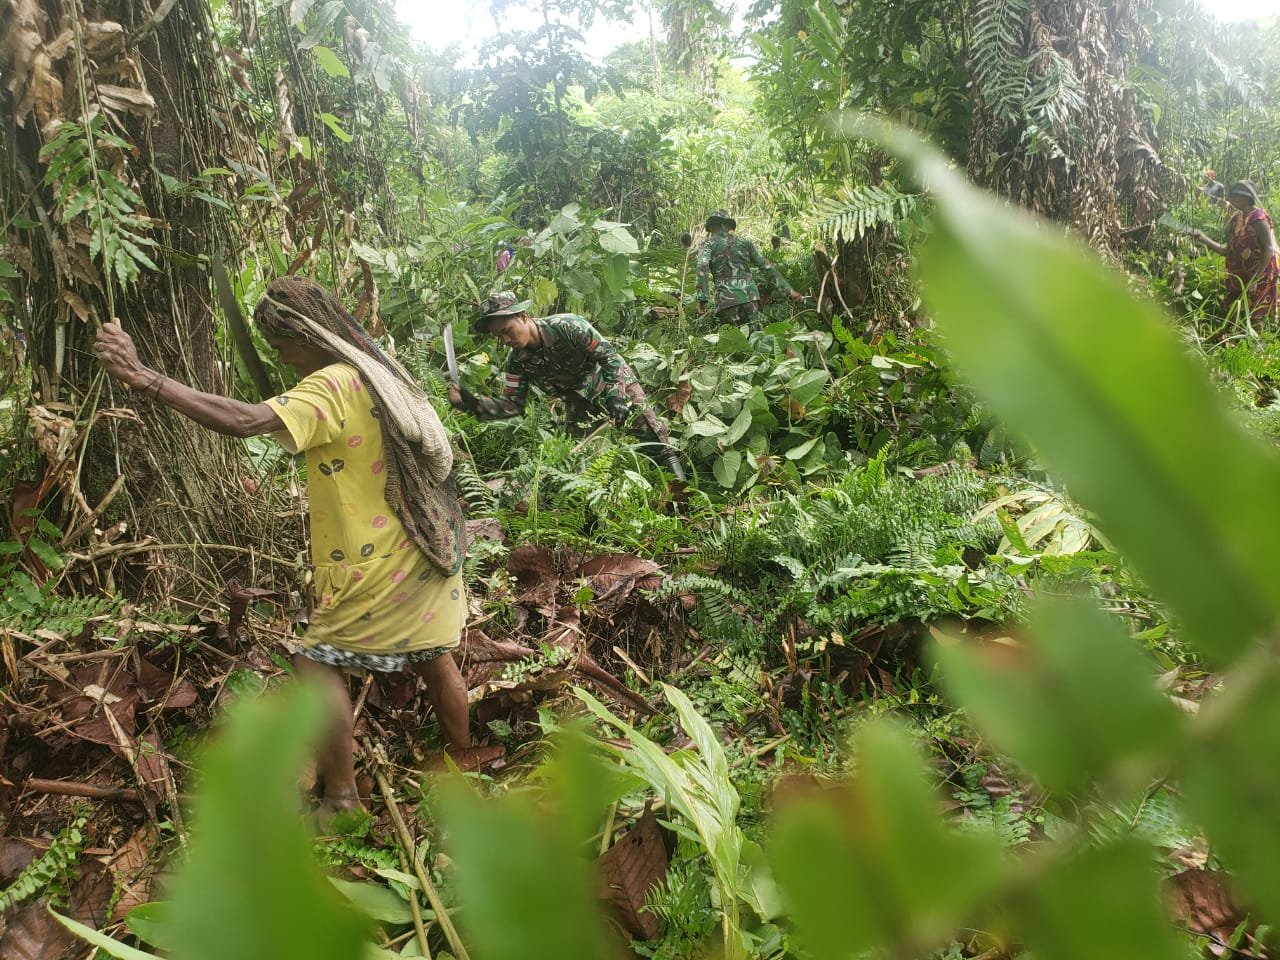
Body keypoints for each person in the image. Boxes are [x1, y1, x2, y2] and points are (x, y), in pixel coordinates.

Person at [94, 276, 472, 821]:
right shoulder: (378, 372)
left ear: (306, 334)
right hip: (428, 549)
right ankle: (466, 763)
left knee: (315, 664)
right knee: (437, 658)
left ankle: (342, 799)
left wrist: (142, 378)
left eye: (281, 347)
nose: (285, 359)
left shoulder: (333, 384)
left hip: (378, 562)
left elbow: (244, 420)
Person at [448, 292, 686, 481]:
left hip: (609, 380)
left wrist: (616, 396)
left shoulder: (567, 326)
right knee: (582, 467)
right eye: (499, 337)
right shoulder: (516, 363)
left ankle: (682, 500)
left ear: (522, 316)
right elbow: (512, 405)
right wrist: (474, 404)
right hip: (577, 403)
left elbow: (609, 358)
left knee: (654, 438)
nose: (506, 340)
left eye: (507, 331)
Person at [1193, 179, 1279, 325]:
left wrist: (1255, 279)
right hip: (1240, 276)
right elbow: (1227, 251)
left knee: (1257, 315)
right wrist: (1202, 237)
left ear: (1247, 199)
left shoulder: (1258, 218)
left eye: (1236, 196)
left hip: (1260, 274)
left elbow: (1268, 249)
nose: (1231, 199)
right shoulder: (1234, 220)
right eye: (1232, 196)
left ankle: (1258, 342)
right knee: (1237, 315)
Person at [695, 209, 802, 326]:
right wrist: (789, 291)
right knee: (756, 340)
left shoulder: (707, 245)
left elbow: (702, 267)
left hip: (726, 301)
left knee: (732, 342)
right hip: (750, 298)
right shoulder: (744, 243)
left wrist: (702, 299)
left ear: (712, 226)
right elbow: (766, 267)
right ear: (727, 225)